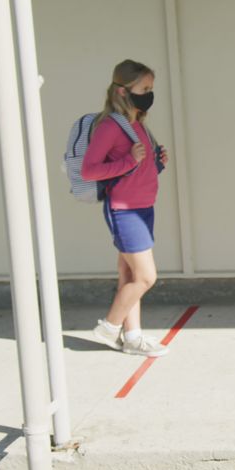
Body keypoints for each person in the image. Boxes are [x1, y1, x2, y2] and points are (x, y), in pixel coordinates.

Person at [83, 59, 171, 357]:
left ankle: (132, 337)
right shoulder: (110, 127)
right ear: (123, 91)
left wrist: (156, 163)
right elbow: (89, 170)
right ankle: (109, 327)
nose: (149, 94)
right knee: (146, 277)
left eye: (151, 88)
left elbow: (138, 169)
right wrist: (130, 161)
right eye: (144, 88)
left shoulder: (137, 124)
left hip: (144, 206)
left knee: (131, 277)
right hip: (124, 210)